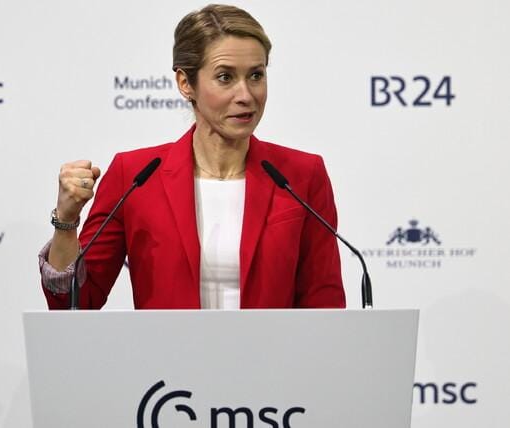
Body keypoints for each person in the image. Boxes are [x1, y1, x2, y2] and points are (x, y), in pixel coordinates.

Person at [39, 4, 346, 310]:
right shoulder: (134, 176)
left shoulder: (302, 175)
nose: (246, 95)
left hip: (275, 346)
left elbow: (325, 306)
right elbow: (75, 305)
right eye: (225, 77)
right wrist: (66, 222)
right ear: (186, 84)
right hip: (167, 345)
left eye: (256, 75)